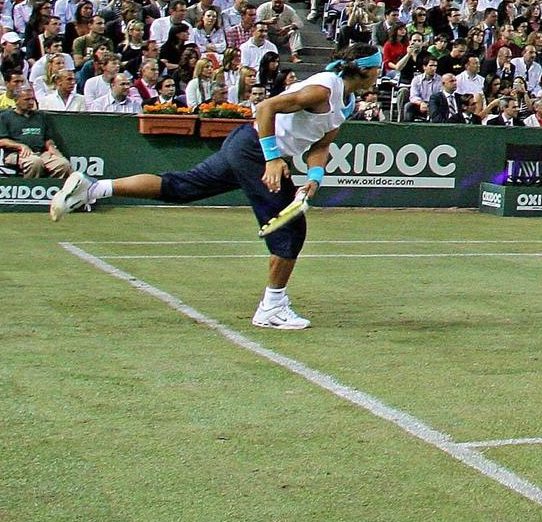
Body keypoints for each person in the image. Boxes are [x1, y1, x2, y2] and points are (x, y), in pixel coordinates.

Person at [49, 45, 386, 330]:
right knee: (291, 231)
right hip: (256, 148)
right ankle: (272, 308)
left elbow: (320, 145)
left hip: (247, 146)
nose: (381, 72)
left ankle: (92, 189)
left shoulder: (347, 103)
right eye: (379, 68)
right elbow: (266, 107)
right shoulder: (323, 90)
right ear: (366, 72)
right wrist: (271, 159)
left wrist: (313, 179)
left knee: (183, 187)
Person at [0, 87, 69, 178]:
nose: (31, 102)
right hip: (17, 154)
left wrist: (51, 147)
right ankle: (31, 188)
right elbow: (1, 141)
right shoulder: (5, 117)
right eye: (27, 99)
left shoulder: (41, 116)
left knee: (63, 164)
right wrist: (20, 146)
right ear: (16, 100)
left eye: (32, 99)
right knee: (35, 162)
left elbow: (47, 138)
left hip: (41, 152)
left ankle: (54, 189)